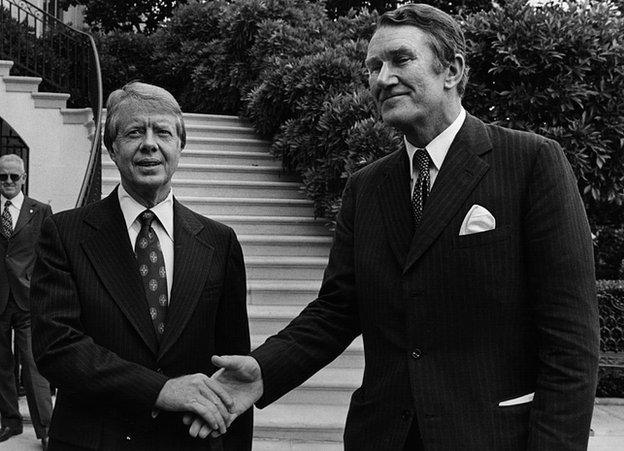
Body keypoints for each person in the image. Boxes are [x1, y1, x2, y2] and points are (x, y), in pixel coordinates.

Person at [195, 4, 600, 450]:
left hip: (493, 436)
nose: (382, 78)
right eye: (373, 66)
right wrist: (266, 369)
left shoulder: (531, 163)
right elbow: (336, 310)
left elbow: (571, 340)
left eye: (400, 59)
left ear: (452, 70)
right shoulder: (366, 188)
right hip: (383, 436)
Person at [30, 82, 252, 450]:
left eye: (163, 132)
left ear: (181, 145)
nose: (150, 143)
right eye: (135, 132)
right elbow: (57, 348)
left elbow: (233, 369)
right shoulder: (64, 234)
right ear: (112, 148)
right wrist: (159, 389)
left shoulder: (219, 241)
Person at [0, 154, 53, 449]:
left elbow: (50, 256)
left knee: (33, 365)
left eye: (13, 176)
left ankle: (46, 428)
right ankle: (9, 421)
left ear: (23, 178)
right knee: (1, 365)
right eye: (2, 176)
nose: (8, 181)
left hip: (28, 301)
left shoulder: (40, 211)